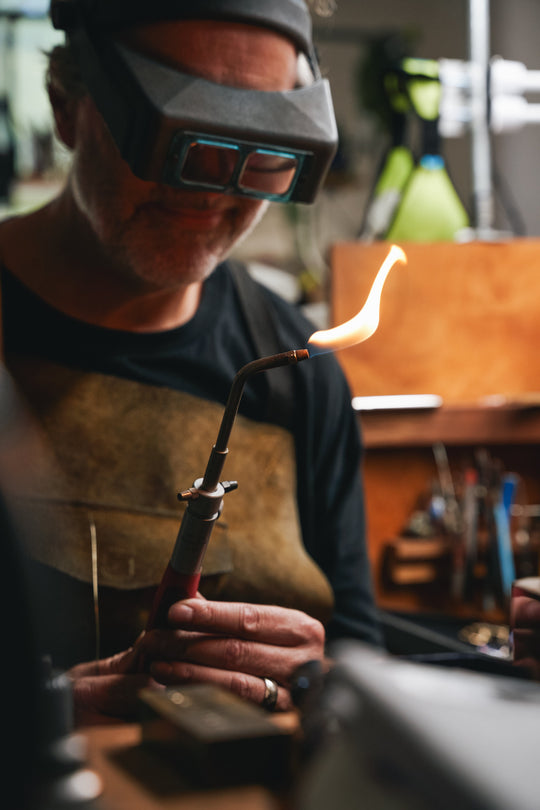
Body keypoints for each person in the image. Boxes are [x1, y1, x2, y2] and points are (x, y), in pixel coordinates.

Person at [0, 0, 380, 724]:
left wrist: (312, 682)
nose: (213, 188)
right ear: (67, 107)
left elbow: (361, 657)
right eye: (177, 139)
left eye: (260, 147)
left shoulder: (296, 375)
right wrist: (42, 716)